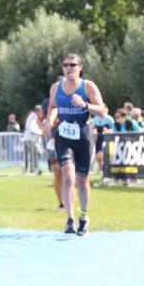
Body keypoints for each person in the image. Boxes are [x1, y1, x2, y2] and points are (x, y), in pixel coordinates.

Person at [46, 53, 107, 236]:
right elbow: (52, 106)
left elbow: (102, 111)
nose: (69, 68)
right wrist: (50, 121)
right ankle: (70, 219)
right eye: (65, 65)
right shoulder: (56, 87)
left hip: (83, 136)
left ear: (80, 67)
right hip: (63, 135)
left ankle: (84, 216)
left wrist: (85, 105)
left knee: (82, 180)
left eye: (73, 65)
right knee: (67, 176)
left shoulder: (88, 86)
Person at [22, 106, 43, 174]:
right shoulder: (34, 116)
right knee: (34, 153)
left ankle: (28, 168)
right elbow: (32, 127)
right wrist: (41, 132)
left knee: (28, 154)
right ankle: (34, 169)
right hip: (31, 138)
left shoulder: (31, 116)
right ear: (38, 111)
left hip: (27, 137)